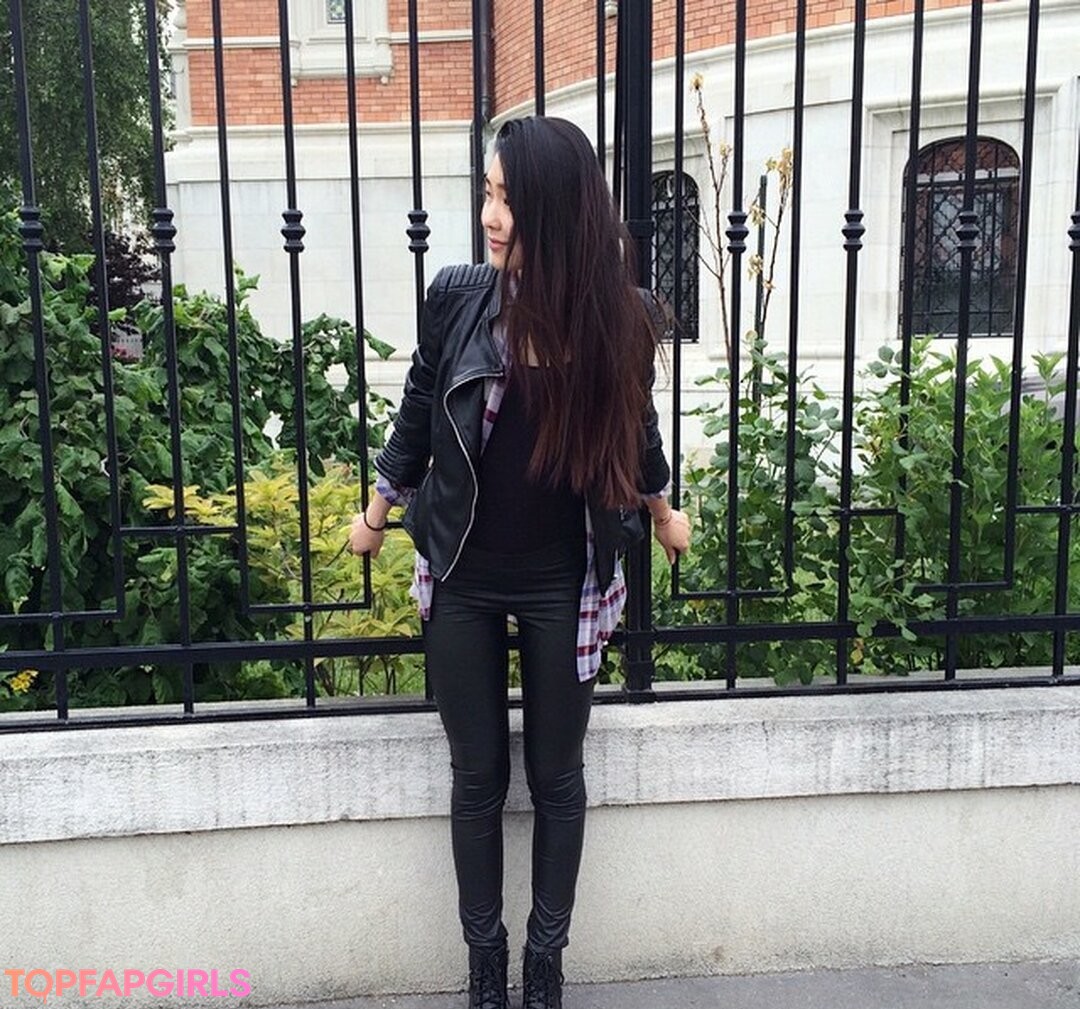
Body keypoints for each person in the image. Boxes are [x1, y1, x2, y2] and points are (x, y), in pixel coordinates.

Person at [348, 115, 691, 1009]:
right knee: (477, 777)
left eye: (508, 199)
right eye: (488, 194)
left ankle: (544, 964)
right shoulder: (458, 298)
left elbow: (637, 432)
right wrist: (378, 510)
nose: (490, 216)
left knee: (555, 777)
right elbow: (420, 408)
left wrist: (661, 511)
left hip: (563, 582)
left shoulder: (620, 318)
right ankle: (483, 966)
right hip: (463, 569)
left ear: (558, 210)